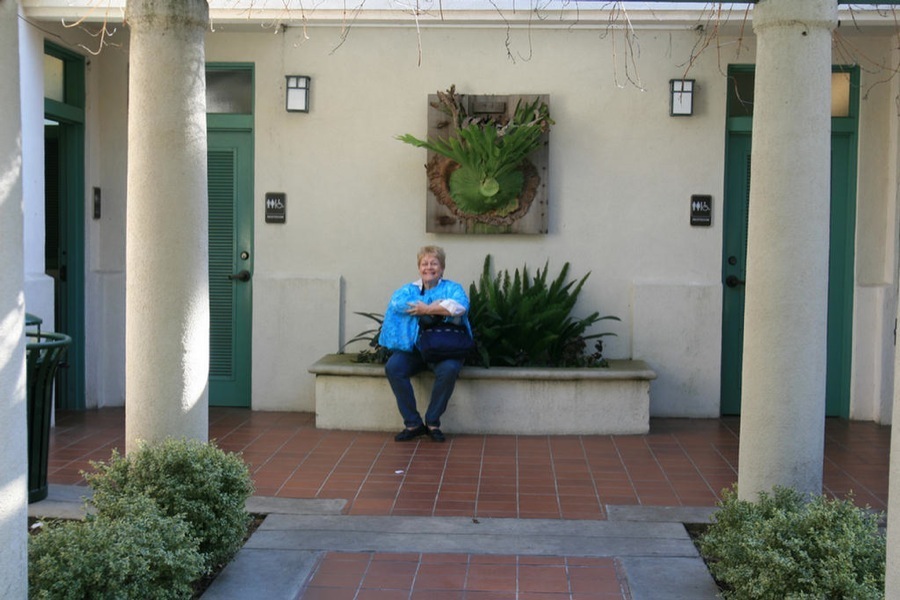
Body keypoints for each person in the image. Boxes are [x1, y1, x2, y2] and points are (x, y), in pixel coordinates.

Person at [379, 245, 471, 443]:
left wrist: (427, 309)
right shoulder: (408, 289)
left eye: (434, 263)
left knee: (449, 369)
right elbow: (397, 303)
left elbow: (460, 306)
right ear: (419, 267)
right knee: (394, 367)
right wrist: (439, 306)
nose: (429, 267)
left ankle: (432, 422)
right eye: (425, 263)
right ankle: (413, 424)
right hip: (413, 349)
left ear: (442, 268)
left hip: (443, 349)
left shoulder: (453, 288)